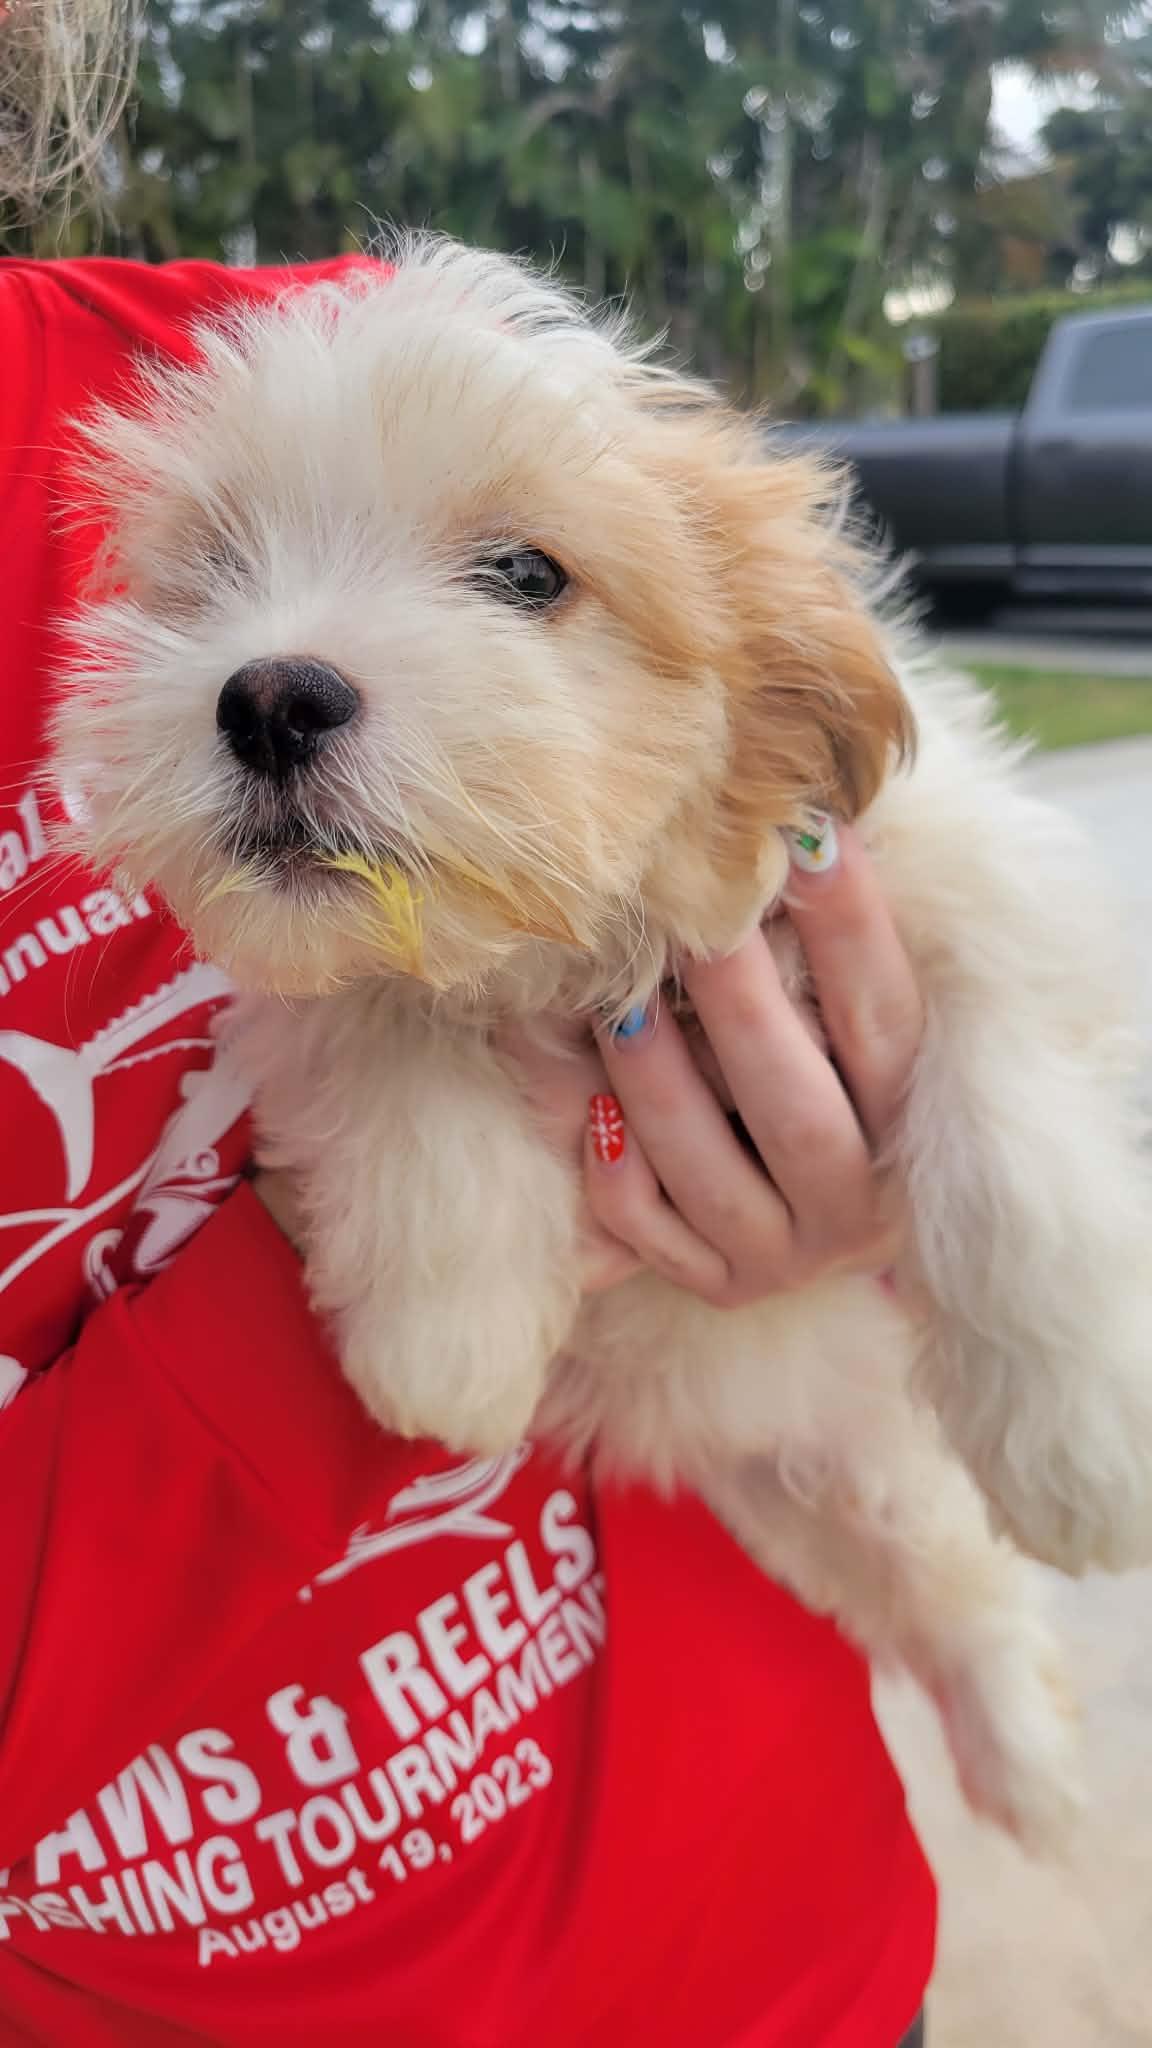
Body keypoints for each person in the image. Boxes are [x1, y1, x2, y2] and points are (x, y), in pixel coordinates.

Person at [0, 6, 933, 2041]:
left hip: (786, 1930)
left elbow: (823, 783)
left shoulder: (341, 356)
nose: (277, 657)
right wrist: (384, 1278)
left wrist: (862, 1130)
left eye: (506, 572)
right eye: (206, 578)